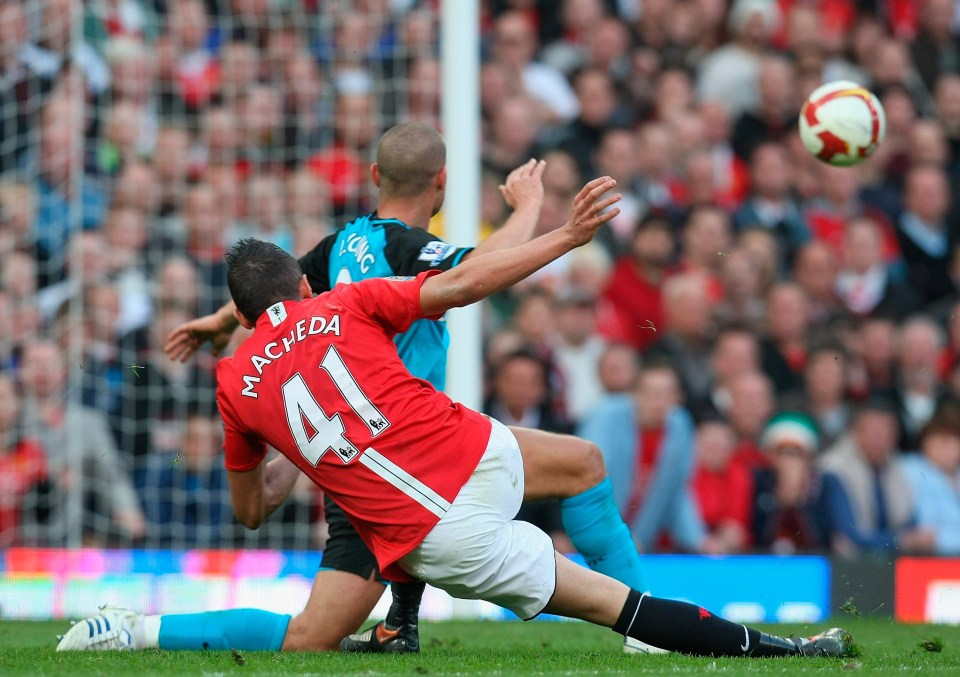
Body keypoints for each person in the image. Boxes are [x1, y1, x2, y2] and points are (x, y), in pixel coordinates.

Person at [59, 189, 850, 658]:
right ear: (305, 281)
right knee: (581, 465)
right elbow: (465, 283)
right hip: (469, 456)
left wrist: (297, 455)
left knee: (605, 601)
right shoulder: (346, 298)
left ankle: (129, 628)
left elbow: (250, 511)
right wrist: (561, 234)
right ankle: (774, 649)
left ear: (243, 311)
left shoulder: (234, 386)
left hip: (423, 529)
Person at [149, 123, 652, 654]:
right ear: (443, 182)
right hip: (408, 457)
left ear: (374, 176)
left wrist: (223, 320)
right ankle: (646, 624)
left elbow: (273, 294)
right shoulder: (408, 249)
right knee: (583, 466)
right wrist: (528, 208)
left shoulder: (341, 243)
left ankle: (397, 626)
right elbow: (477, 272)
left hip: (354, 459)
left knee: (312, 636)